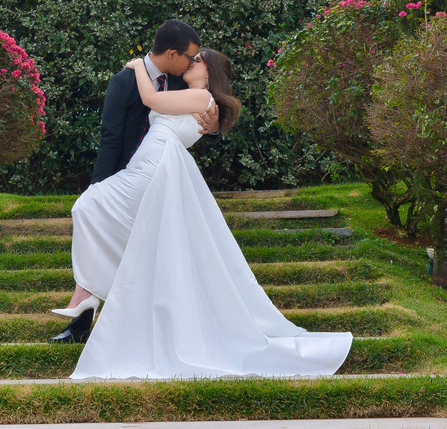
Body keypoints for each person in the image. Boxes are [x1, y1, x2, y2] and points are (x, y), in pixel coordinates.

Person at [63, 46, 353, 380]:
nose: (190, 62)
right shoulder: (192, 94)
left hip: (154, 168)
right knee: (105, 217)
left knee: (89, 205)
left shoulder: (201, 98)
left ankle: (90, 294)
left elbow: (153, 102)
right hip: (150, 164)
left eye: (197, 60)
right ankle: (91, 294)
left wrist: (136, 66)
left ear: (209, 72)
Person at [48, 19, 218, 344]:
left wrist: (215, 126)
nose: (191, 63)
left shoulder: (181, 84)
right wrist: (101, 185)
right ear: (172, 53)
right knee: (103, 230)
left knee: (141, 251)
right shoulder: (124, 82)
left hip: (159, 179)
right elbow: (110, 138)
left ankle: (137, 323)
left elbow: (207, 106)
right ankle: (84, 322)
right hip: (128, 177)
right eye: (189, 57)